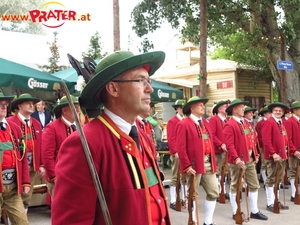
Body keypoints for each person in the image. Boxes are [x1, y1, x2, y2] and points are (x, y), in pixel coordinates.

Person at [52, 50, 171, 224]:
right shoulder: (84, 144)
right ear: (113, 88)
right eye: (140, 80)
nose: (150, 89)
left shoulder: (143, 139)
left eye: (148, 80)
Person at [223, 99, 268, 221]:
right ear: (234, 110)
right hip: (237, 161)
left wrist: (256, 153)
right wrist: (236, 158)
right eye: (241, 107)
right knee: (235, 186)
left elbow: (252, 140)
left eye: (243, 107)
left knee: (254, 184)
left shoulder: (246, 124)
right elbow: (229, 144)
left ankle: (254, 210)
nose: (244, 109)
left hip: (249, 158)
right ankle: (235, 211)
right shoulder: (229, 124)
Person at [176, 96, 218, 225]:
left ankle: (208, 222)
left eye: (203, 105)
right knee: (192, 194)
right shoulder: (183, 124)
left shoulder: (206, 123)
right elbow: (181, 147)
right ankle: (193, 221)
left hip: (208, 163)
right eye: (200, 105)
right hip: (194, 164)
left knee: (213, 192)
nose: (203, 106)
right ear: (191, 108)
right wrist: (187, 165)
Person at [7, 93, 45, 214]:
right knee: (13, 197)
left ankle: (22, 219)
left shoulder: (37, 124)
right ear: (19, 105)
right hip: (16, 168)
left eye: (32, 103)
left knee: (26, 198)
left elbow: (41, 146)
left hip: (32, 167)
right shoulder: (9, 122)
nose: (31, 105)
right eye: (28, 103)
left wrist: (42, 164)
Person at [0, 93, 30, 225]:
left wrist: (25, 182)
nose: (3, 107)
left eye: (5, 104)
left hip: (13, 188)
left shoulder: (15, 128)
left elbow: (22, 157)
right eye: (0, 104)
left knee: (22, 222)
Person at [42, 95, 80, 199]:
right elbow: (47, 155)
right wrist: (55, 177)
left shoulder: (80, 127)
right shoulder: (52, 128)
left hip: (78, 177)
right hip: (60, 178)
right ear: (64, 110)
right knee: (62, 212)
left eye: (78, 107)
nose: (78, 110)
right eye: (74, 107)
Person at [262, 102, 290, 212]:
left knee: (278, 179)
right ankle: (270, 202)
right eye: (276, 110)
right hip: (273, 156)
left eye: (280, 111)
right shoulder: (269, 122)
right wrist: (273, 153)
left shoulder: (280, 122)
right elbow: (266, 140)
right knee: (271, 179)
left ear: (283, 113)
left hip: (281, 154)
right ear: (272, 112)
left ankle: (276, 200)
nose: (278, 112)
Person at [166, 99, 186, 210]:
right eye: (181, 107)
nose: (182, 109)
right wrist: (175, 152)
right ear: (177, 109)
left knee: (185, 177)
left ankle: (184, 198)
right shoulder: (172, 121)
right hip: (177, 153)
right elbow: (171, 138)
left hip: (184, 153)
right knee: (175, 177)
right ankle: (173, 200)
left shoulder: (185, 120)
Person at [209, 100, 230, 202]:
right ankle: (217, 191)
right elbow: (212, 135)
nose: (227, 108)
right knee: (217, 172)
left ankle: (223, 191)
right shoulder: (214, 120)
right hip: (218, 150)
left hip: (226, 150)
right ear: (219, 109)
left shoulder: (226, 120)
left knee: (224, 172)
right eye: (225, 107)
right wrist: (221, 144)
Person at [285, 101, 300, 202]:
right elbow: (288, 138)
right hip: (295, 151)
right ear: (294, 110)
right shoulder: (290, 121)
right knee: (294, 172)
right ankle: (294, 194)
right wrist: (294, 150)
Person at [255, 105, 271, 187]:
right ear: (264, 114)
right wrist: (264, 146)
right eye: (268, 113)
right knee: (264, 163)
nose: (270, 114)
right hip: (263, 146)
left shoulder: (272, 122)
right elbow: (260, 136)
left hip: (272, 146)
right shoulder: (260, 123)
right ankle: (265, 181)